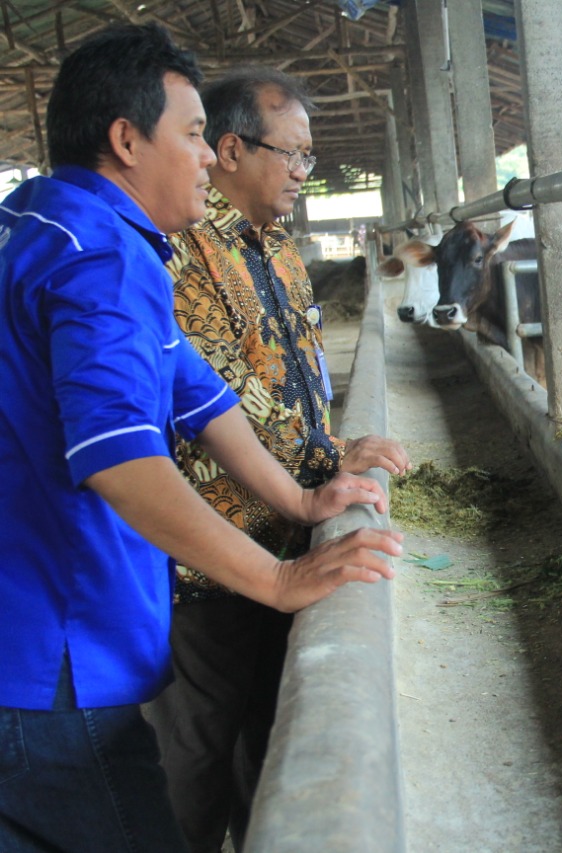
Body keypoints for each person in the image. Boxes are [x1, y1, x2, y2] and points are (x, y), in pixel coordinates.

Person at [0, 23, 402, 853]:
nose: (207, 158)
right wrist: (280, 576)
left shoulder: (54, 225)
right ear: (126, 140)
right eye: (191, 135)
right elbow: (119, 457)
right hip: (54, 662)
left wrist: (299, 495)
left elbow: (197, 390)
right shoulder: (99, 259)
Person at [147, 67, 410, 852]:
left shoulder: (280, 250)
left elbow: (296, 378)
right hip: (212, 562)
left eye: (309, 158)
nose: (304, 172)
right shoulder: (184, 254)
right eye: (290, 154)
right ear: (229, 150)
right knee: (193, 758)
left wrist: (332, 450)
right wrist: (323, 460)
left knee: (267, 736)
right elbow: (217, 395)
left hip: (287, 540)